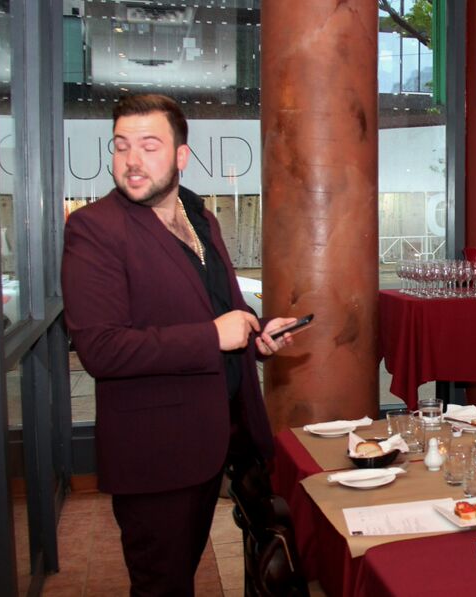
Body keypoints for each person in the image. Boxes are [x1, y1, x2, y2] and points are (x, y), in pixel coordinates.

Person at [62, 94, 299, 595]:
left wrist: (257, 333)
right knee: (162, 586)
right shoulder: (94, 229)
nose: (132, 160)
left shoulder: (201, 218)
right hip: (157, 455)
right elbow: (101, 349)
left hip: (224, 437)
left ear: (181, 156)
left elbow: (220, 303)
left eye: (149, 146)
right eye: (121, 146)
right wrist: (213, 336)